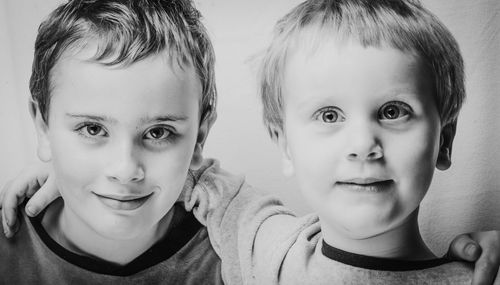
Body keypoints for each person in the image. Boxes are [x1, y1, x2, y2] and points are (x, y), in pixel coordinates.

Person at [1, 0, 500, 284]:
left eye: (393, 112)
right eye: (329, 114)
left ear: (445, 138)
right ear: (283, 143)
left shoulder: (477, 277)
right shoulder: (263, 246)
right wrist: (70, 169)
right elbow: (201, 183)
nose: (362, 144)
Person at [0, 0, 223, 283]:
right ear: (43, 126)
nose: (125, 169)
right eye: (92, 129)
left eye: (158, 132)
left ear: (200, 136)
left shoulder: (234, 253)